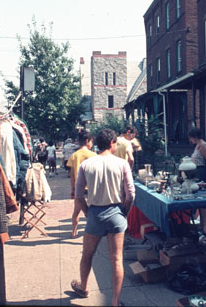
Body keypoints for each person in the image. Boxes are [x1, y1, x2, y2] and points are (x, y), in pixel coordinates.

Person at [70, 129, 135, 307]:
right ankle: (115, 302)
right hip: (116, 212)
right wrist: (124, 213)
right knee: (116, 259)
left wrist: (87, 212)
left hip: (95, 212)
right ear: (113, 143)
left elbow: (78, 194)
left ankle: (83, 287)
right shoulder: (122, 164)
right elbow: (130, 194)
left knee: (87, 255)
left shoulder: (87, 164)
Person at [66, 130, 96, 238]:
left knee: (76, 211)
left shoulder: (74, 155)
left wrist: (72, 189)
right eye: (92, 142)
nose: (92, 144)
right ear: (88, 141)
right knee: (93, 210)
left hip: (79, 188)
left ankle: (74, 231)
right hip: (92, 187)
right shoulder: (93, 155)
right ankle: (93, 231)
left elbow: (72, 175)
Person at [188, 127, 206, 236]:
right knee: (197, 199)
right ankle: (199, 224)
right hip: (196, 173)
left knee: (203, 201)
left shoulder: (203, 145)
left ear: (194, 137)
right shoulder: (197, 146)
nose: (190, 140)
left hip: (202, 173)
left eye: (190, 137)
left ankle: (204, 226)